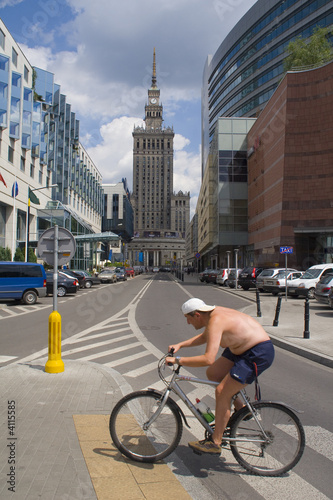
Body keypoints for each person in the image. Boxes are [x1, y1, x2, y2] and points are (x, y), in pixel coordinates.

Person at [165, 297, 274, 455]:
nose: (188, 323)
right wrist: (181, 345)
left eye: (188, 319)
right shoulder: (211, 315)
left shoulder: (216, 320)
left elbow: (208, 359)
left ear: (197, 315)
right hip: (240, 349)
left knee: (222, 391)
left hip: (257, 353)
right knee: (214, 373)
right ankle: (242, 409)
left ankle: (215, 442)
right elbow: (205, 337)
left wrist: (177, 361)